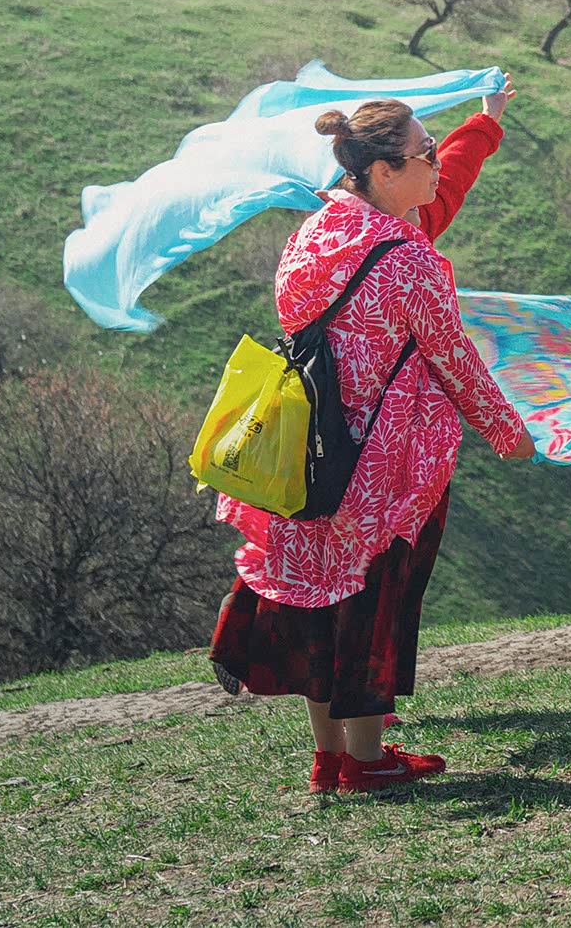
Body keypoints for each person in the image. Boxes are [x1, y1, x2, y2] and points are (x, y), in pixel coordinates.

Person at [208, 96, 534, 795]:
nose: (436, 164)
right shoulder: (406, 258)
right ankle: (367, 759)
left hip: (307, 450)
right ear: (384, 172)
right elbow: (454, 361)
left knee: (317, 604)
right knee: (370, 603)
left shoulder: (318, 231)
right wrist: (510, 434)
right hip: (384, 462)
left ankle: (331, 758)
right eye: (425, 153)